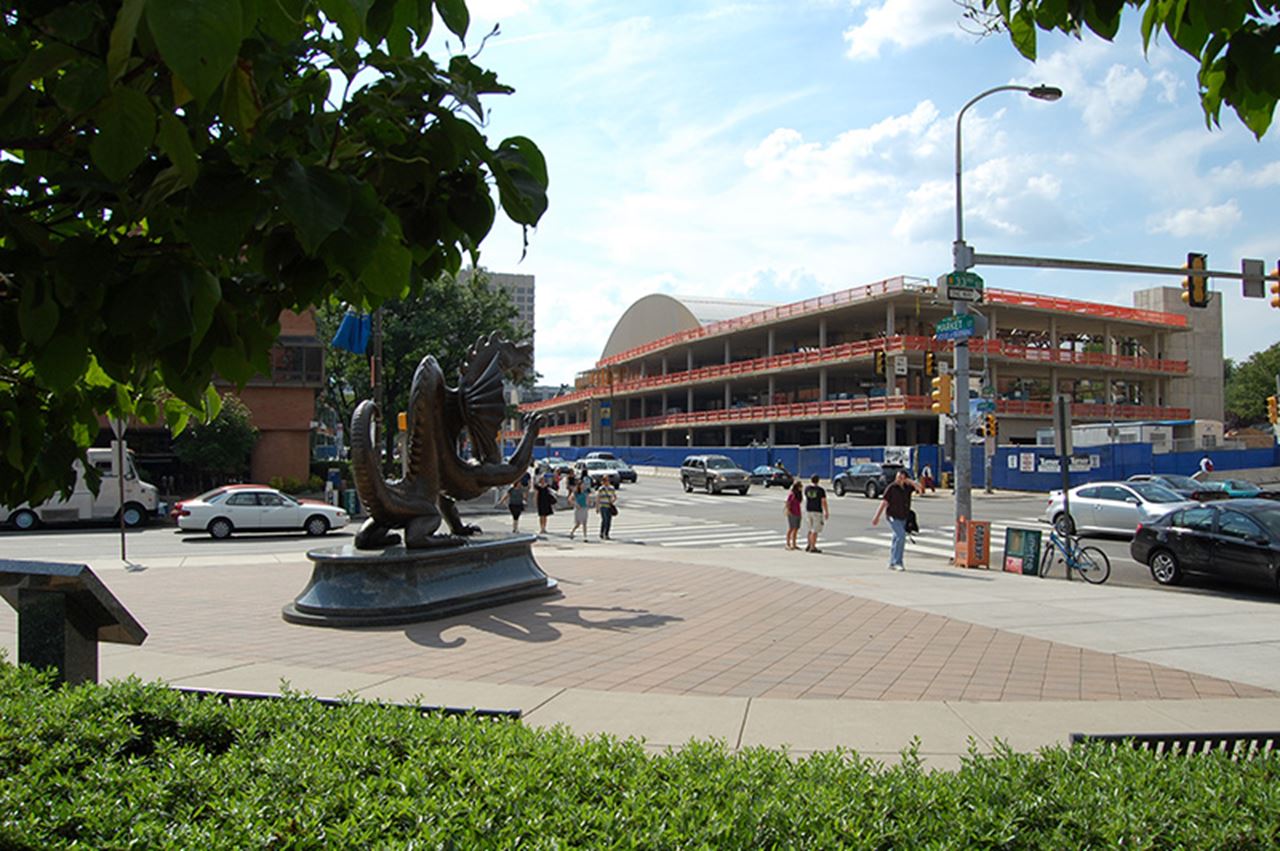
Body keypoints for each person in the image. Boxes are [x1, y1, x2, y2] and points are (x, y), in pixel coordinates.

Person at [872, 469, 925, 571]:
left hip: (903, 516)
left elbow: (921, 490)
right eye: (898, 477)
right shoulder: (891, 488)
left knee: (896, 538)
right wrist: (877, 517)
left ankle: (892, 562)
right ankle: (897, 562)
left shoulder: (908, 488)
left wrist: (911, 482)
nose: (899, 479)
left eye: (902, 477)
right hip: (892, 516)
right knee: (901, 536)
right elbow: (884, 503)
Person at [803, 474, 829, 553]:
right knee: (815, 530)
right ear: (818, 480)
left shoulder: (807, 488)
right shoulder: (820, 490)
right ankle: (813, 547)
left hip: (808, 510)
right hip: (817, 510)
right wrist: (826, 511)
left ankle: (809, 544)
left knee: (810, 529)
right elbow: (823, 501)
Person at [568, 475, 594, 540]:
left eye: (583, 485)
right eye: (581, 485)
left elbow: (588, 498)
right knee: (578, 524)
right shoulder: (576, 492)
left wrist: (590, 503)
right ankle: (572, 532)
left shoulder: (586, 492)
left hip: (584, 508)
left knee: (585, 523)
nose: (583, 486)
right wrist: (576, 504)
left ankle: (585, 536)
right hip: (578, 508)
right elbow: (570, 499)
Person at [534, 472, 556, 536]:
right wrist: (535, 502)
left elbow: (551, 493)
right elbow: (536, 495)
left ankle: (544, 528)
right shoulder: (538, 487)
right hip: (540, 502)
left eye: (544, 479)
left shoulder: (547, 486)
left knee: (545, 515)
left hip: (546, 502)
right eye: (542, 479)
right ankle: (541, 528)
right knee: (541, 515)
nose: (543, 480)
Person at [784, 480, 803, 550]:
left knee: (796, 529)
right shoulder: (792, 494)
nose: (801, 488)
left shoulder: (799, 495)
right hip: (792, 513)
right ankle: (788, 543)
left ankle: (794, 544)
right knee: (791, 528)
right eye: (800, 486)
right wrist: (788, 511)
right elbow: (788, 503)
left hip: (798, 513)